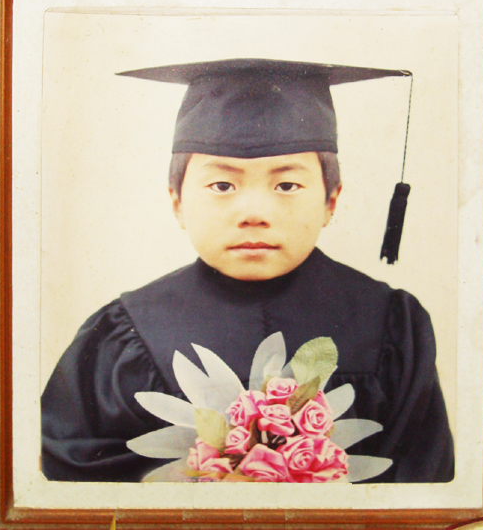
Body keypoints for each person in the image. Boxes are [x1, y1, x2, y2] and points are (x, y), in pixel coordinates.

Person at [41, 58, 454, 483]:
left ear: (330, 200)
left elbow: (422, 484)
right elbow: (68, 476)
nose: (254, 213)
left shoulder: (390, 325)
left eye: (287, 185)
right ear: (177, 202)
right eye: (222, 185)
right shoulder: (124, 332)